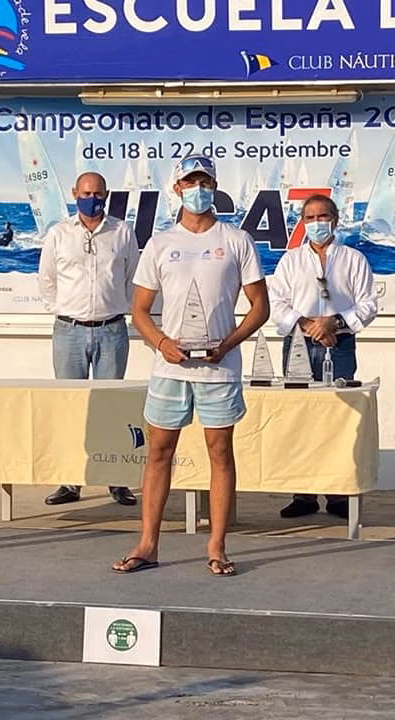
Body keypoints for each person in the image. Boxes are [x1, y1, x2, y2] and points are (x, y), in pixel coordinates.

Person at [112, 155, 269, 576]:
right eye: (189, 181)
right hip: (170, 369)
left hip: (219, 368)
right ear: (177, 188)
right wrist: (161, 343)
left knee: (220, 453)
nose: (197, 188)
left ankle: (216, 546)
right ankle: (148, 543)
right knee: (159, 452)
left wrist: (228, 343)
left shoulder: (237, 240)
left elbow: (260, 307)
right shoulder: (160, 244)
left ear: (214, 186)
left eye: (204, 181)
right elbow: (140, 310)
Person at [269, 194, 378, 518]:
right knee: (299, 419)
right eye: (310, 218)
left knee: (338, 419)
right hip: (298, 345)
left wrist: (335, 322)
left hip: (340, 345)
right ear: (302, 223)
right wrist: (308, 325)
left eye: (323, 216)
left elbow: (368, 304)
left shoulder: (353, 259)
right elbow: (276, 303)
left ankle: (339, 495)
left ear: (336, 219)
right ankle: (303, 495)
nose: (317, 223)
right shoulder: (290, 260)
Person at [38, 171, 139, 507]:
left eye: (97, 193)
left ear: (106, 194)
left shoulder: (122, 232)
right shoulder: (59, 234)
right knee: (71, 407)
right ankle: (70, 481)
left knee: (112, 407)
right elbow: (47, 280)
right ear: (74, 192)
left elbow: (132, 278)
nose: (91, 198)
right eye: (85, 192)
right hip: (69, 331)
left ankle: (116, 481)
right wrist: (65, 310)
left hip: (112, 330)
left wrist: (116, 308)